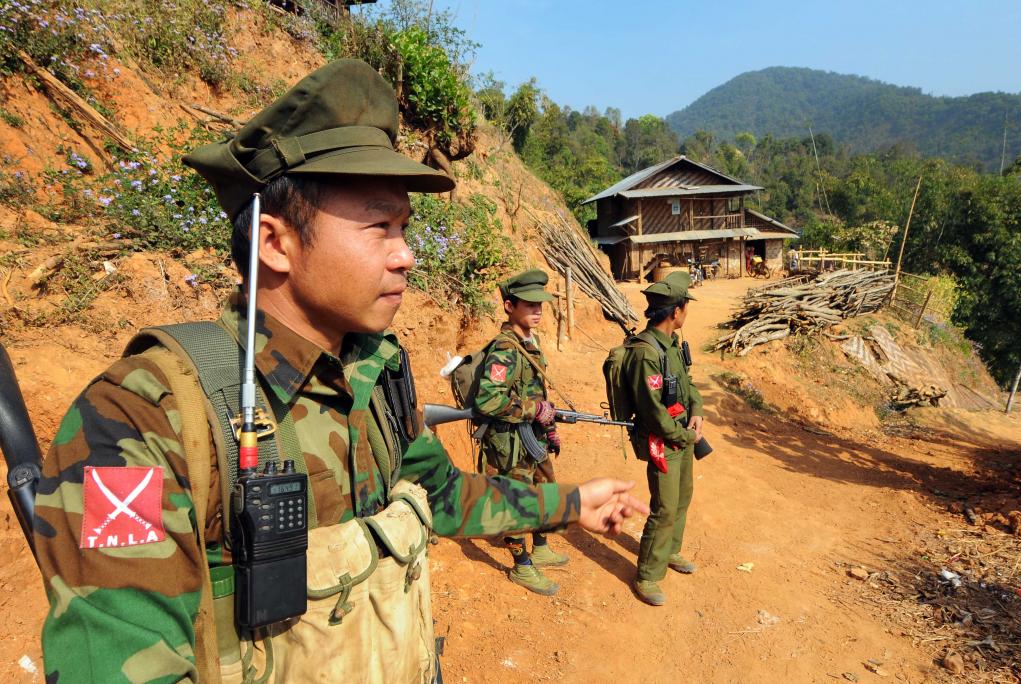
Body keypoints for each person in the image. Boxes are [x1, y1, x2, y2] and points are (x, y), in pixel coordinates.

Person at [33, 59, 648, 683]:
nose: (406, 255)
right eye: (380, 226)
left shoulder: (375, 375)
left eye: (404, 227)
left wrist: (570, 501)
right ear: (276, 243)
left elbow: (443, 495)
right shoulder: (142, 417)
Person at [472, 269, 567, 596]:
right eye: (530, 305)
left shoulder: (530, 340)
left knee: (545, 491)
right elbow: (487, 400)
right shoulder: (505, 349)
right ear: (510, 306)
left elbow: (536, 392)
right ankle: (522, 566)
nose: (538, 310)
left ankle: (540, 545)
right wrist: (534, 411)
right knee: (516, 504)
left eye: (541, 303)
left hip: (532, 436)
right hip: (508, 443)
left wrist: (549, 424)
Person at [623, 271, 704, 606]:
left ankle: (670, 550)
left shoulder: (672, 345)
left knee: (683, 496)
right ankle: (648, 575)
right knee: (665, 506)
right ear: (675, 312)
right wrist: (683, 435)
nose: (687, 313)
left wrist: (696, 409)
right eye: (686, 307)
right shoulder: (645, 354)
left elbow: (688, 383)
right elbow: (653, 412)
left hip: (682, 435)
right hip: (663, 440)